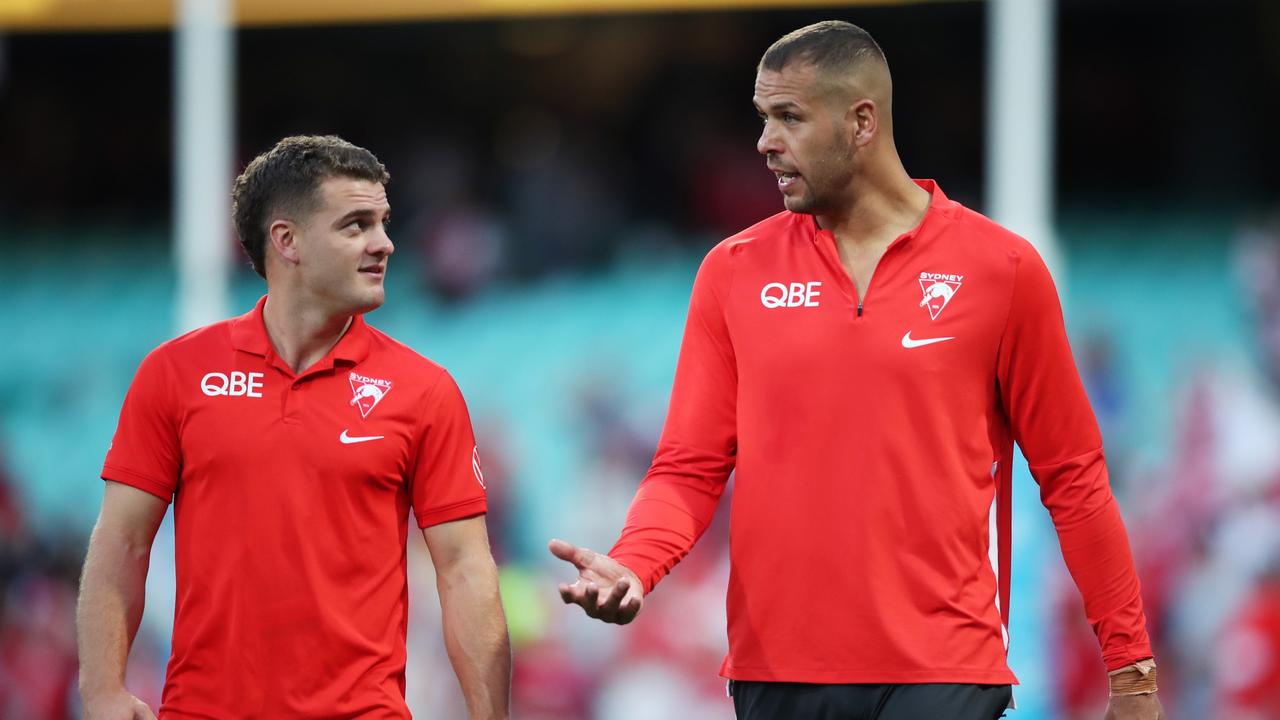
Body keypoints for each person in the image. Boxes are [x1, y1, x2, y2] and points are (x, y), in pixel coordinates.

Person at [550, 21, 1164, 720]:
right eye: (762, 118)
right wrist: (635, 563)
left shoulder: (1002, 271)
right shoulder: (732, 272)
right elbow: (688, 468)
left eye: (789, 117)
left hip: (944, 670)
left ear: (862, 122)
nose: (764, 143)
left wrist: (1132, 672)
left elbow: (1075, 479)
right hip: (777, 674)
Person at [76, 135, 510, 720]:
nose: (384, 244)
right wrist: (102, 690)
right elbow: (121, 543)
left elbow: (464, 570)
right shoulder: (175, 374)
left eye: (383, 222)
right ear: (287, 241)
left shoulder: (424, 391)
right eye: (355, 225)